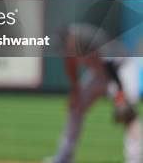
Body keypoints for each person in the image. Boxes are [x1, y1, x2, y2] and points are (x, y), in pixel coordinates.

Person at [47, 23, 141, 163]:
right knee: (75, 108)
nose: (64, 49)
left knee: (128, 113)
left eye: (64, 44)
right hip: (99, 73)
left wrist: (120, 95)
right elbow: (70, 64)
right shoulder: (70, 45)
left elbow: (111, 65)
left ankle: (136, 159)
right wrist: (75, 91)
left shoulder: (88, 36)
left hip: (122, 69)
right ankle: (64, 157)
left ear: (70, 37)